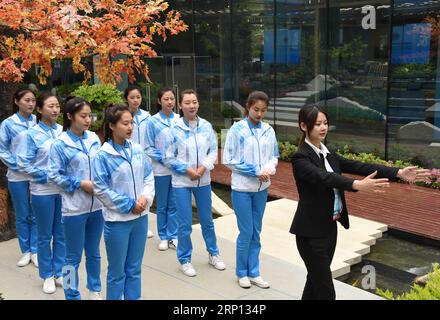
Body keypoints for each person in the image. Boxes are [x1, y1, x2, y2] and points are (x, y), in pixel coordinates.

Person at [290, 104, 431, 300]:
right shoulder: (300, 158)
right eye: (317, 124)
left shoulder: (328, 153)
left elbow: (358, 165)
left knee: (314, 282)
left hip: (329, 229)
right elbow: (324, 178)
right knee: (325, 291)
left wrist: (398, 172)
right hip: (310, 234)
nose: (323, 128)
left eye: (325, 123)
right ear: (304, 126)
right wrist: (356, 185)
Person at [92, 104, 155, 300]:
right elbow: (101, 189)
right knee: (116, 272)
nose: (130, 127)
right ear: (111, 126)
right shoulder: (103, 156)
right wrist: (130, 204)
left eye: (132, 123)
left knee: (134, 269)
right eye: (125, 123)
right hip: (118, 221)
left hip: (140, 218)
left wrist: (145, 198)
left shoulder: (136, 149)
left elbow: (148, 176)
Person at [164, 89, 225, 277]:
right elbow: (168, 157)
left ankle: (213, 254)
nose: (192, 106)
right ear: (180, 106)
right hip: (182, 182)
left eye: (195, 102)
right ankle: (185, 259)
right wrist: (188, 170)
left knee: (207, 220)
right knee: (184, 223)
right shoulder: (173, 130)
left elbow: (213, 152)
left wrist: (202, 168)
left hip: (203, 181)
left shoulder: (206, 126)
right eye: (188, 102)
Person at [48, 97, 104, 300]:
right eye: (83, 116)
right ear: (70, 116)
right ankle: (72, 294)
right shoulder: (60, 144)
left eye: (90, 115)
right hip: (74, 209)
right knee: (72, 258)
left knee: (94, 253)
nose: (88, 120)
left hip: (97, 207)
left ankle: (94, 289)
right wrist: (80, 183)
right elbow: (53, 176)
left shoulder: (94, 139)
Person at [223, 91, 278, 289]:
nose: (260, 114)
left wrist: (267, 170)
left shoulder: (269, 131)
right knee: (246, 231)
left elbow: (274, 156)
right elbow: (228, 159)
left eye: (263, 110)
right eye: (256, 109)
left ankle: (254, 272)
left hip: (262, 188)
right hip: (242, 189)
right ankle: (241, 272)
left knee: (257, 231)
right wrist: (255, 171)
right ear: (248, 107)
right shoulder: (236, 130)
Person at [16, 92, 65, 294]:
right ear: (40, 110)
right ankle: (47, 275)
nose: (55, 109)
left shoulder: (64, 131)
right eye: (50, 106)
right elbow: (22, 163)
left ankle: (61, 272)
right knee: (45, 236)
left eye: (57, 106)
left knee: (62, 234)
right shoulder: (31, 134)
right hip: (42, 191)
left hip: (63, 191)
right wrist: (48, 175)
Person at [0, 89, 38, 268]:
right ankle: (26, 251)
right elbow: (2, 150)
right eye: (26, 100)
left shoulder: (37, 122)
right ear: (17, 102)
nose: (31, 104)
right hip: (16, 176)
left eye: (33, 101)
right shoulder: (8, 124)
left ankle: (36, 249)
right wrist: (18, 165)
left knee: (36, 213)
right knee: (22, 214)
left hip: (36, 176)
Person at [145, 87, 179, 251]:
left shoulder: (179, 120)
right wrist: (165, 160)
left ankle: (173, 235)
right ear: (159, 101)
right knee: (162, 205)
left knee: (174, 204)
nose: (169, 102)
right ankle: (163, 236)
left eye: (172, 98)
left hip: (177, 170)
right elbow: (148, 147)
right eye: (166, 99)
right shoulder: (152, 121)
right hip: (160, 170)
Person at [124, 86, 154, 239]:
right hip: (128, 157)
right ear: (126, 99)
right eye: (132, 97)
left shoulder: (147, 117)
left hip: (144, 158)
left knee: (145, 192)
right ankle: (131, 221)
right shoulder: (123, 117)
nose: (136, 100)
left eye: (138, 97)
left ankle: (144, 224)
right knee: (130, 189)